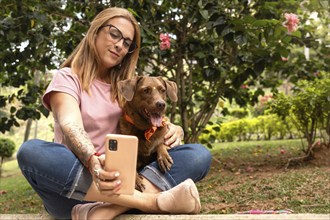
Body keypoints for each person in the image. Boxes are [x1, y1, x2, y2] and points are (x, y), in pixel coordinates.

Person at [17, 7, 212, 220]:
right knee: (32, 151)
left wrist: (173, 129)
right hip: (80, 188)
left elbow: (150, 120)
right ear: (95, 32)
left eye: (127, 42)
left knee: (198, 154)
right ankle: (147, 201)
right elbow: (69, 123)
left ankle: (109, 209)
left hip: (129, 180)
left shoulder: (127, 87)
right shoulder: (67, 78)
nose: (119, 45)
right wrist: (93, 161)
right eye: (114, 34)